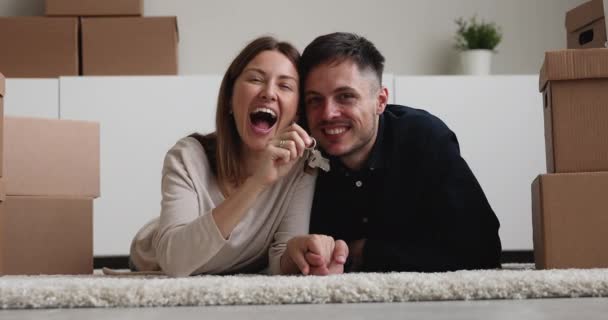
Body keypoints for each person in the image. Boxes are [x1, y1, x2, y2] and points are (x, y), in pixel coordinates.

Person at [129, 36, 347, 277]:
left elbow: (281, 258)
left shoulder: (301, 167)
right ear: (230, 99)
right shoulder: (188, 156)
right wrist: (257, 182)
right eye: (255, 79)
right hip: (154, 256)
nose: (269, 93)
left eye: (285, 86)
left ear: (296, 113)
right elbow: (175, 262)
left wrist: (307, 257)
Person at [285, 32, 502, 273]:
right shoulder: (302, 152)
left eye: (345, 96)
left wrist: (365, 252)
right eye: (315, 100)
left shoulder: (425, 138)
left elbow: (483, 249)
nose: (328, 113)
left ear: (380, 100)